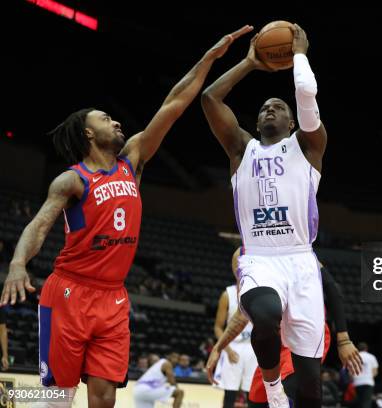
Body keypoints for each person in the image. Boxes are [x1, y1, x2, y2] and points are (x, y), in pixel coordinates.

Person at [0, 25, 253, 408]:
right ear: (87, 132)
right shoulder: (72, 179)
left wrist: (208, 59)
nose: (116, 122)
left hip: (113, 297)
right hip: (69, 291)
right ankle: (17, 395)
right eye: (105, 119)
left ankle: (17, 395)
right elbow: (40, 223)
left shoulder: (132, 160)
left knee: (104, 400)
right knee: (58, 398)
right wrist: (19, 263)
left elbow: (174, 103)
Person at [201, 23, 326, 408]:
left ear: (292, 123)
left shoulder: (308, 146)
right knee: (266, 313)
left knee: (310, 385)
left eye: (280, 107)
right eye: (264, 108)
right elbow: (209, 98)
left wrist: (300, 55)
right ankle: (272, 388)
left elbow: (306, 94)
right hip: (260, 256)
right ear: (256, 124)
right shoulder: (242, 149)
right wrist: (249, 63)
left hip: (301, 260)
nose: (270, 108)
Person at [207, 263, 362, 408]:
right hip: (276, 335)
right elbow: (240, 317)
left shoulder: (301, 251)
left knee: (290, 389)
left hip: (306, 331)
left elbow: (332, 289)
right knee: (256, 399)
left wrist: (344, 339)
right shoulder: (245, 256)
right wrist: (219, 347)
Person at [213, 248, 257, 408]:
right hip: (234, 348)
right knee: (229, 396)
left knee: (254, 395)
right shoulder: (228, 294)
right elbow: (218, 327)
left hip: (254, 349)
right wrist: (227, 349)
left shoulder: (259, 292)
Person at [352, 342, 379, 408]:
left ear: (357, 349)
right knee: (366, 403)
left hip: (357, 383)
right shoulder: (371, 357)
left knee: (359, 403)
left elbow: (351, 372)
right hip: (368, 382)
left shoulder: (354, 357)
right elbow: (375, 372)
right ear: (366, 349)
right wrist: (369, 377)